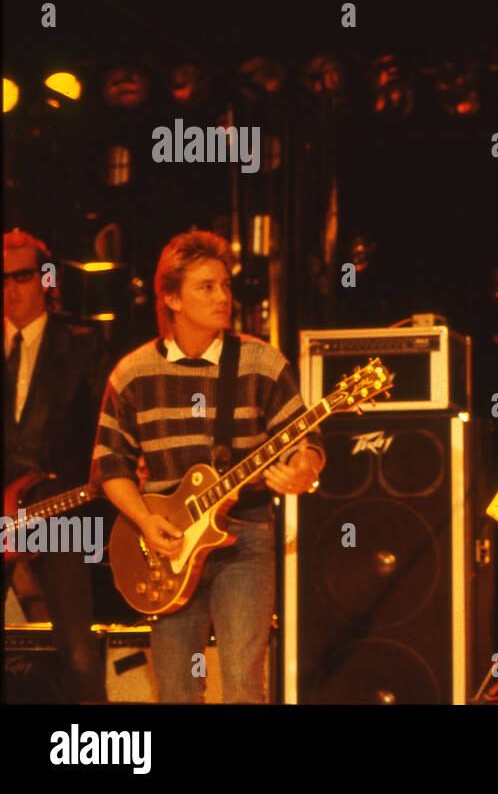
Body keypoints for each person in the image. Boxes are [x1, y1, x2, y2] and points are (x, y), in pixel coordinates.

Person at [90, 230, 324, 703]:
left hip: (246, 533)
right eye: (206, 287)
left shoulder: (261, 361)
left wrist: (304, 469)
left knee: (243, 680)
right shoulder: (132, 372)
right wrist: (144, 520)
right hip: (167, 544)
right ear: (172, 297)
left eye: (225, 285)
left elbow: (307, 440)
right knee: (176, 689)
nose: (222, 297)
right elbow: (109, 464)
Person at [4, 229, 112, 702]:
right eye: (2, 277)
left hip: (57, 509)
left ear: (45, 278)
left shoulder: (83, 343)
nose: (11, 287)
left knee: (79, 651)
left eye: (22, 275)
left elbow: (107, 429)